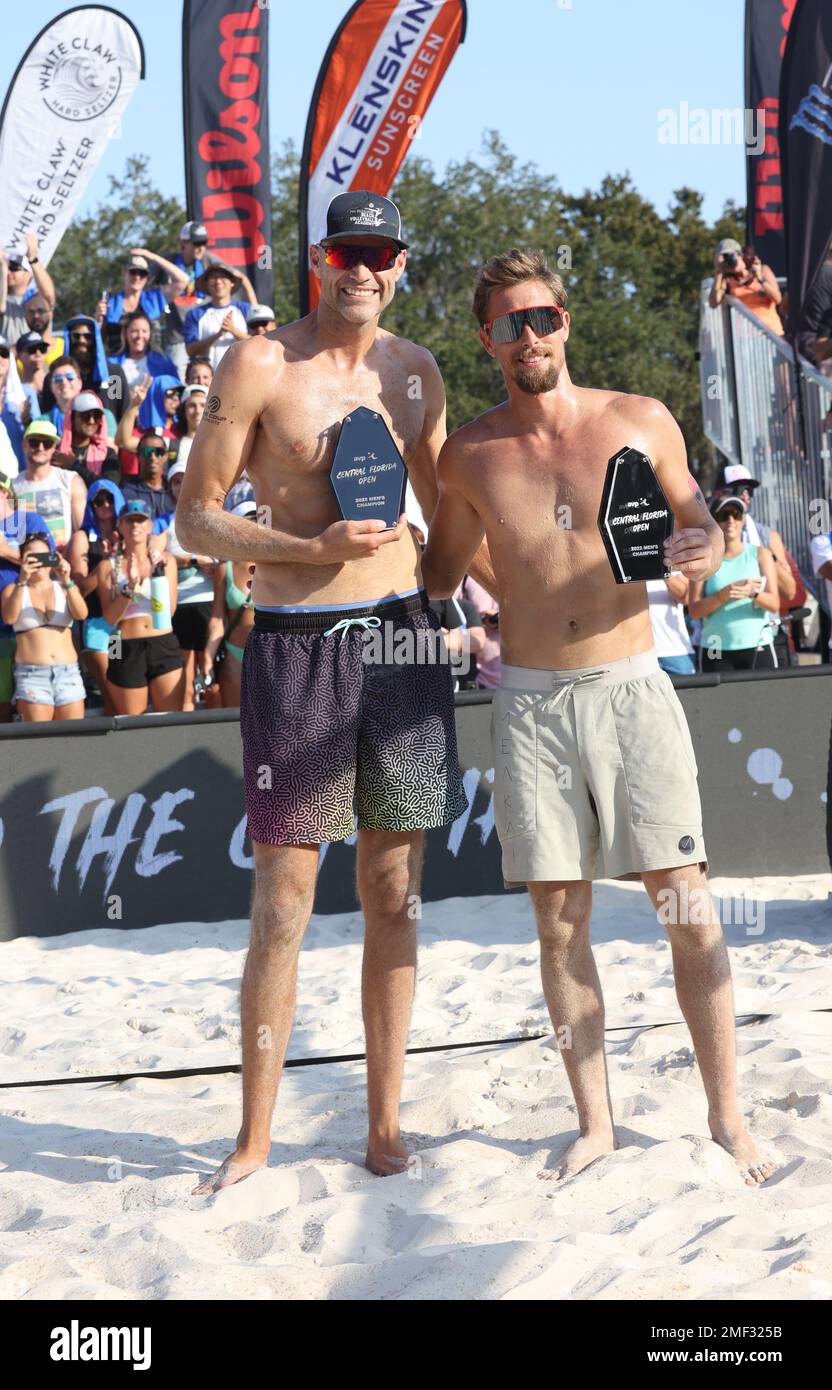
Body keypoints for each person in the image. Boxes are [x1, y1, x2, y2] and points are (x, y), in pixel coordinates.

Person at [422, 245, 775, 1187]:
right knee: (558, 923)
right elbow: (443, 575)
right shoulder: (471, 453)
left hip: (631, 684)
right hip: (531, 705)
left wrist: (697, 551)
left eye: (541, 317)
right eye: (508, 324)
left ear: (565, 322)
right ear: (486, 339)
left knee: (687, 907)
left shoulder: (639, 419)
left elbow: (697, 523)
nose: (528, 336)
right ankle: (596, 1125)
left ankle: (729, 1119)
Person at [176, 188, 470, 1193]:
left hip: (404, 644)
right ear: (320, 256)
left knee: (394, 892)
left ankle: (383, 1127)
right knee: (284, 900)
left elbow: (452, 513)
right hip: (298, 644)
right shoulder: (261, 362)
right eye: (349, 248)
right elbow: (193, 520)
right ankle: (255, 1139)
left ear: (397, 265)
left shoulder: (417, 372)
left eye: (382, 251)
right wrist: (308, 546)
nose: (364, 267)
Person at [98, 498, 183, 715]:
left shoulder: (165, 561)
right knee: (132, 725)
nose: (135, 525)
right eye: (129, 521)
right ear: (120, 526)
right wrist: (131, 588)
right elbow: (110, 618)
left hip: (162, 640)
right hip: (122, 643)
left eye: (140, 520)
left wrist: (155, 576)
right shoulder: (107, 567)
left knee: (171, 721)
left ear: (149, 526)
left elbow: (169, 611)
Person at [714, 463, 798, 665]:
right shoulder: (709, 536)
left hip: (766, 636)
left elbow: (790, 591)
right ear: (720, 494)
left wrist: (767, 558)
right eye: (738, 489)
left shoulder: (766, 536)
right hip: (720, 644)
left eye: (749, 490)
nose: (745, 495)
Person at [0, 531, 87, 720]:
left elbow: (82, 614)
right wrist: (23, 580)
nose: (38, 562)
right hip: (32, 676)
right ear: (22, 560)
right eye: (32, 557)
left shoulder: (64, 588)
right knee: (37, 742)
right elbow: (9, 617)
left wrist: (66, 580)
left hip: (68, 673)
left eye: (43, 556)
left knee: (73, 739)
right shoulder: (12, 590)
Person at [688, 495, 781, 671]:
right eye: (724, 515)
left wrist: (752, 593)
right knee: (719, 700)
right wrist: (723, 595)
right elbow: (694, 611)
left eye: (736, 514)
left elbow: (774, 604)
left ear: (743, 519)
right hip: (715, 649)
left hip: (758, 646)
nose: (731, 520)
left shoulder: (761, 554)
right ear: (714, 520)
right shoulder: (703, 558)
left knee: (765, 699)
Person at [68, 478, 124, 714]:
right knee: (107, 685)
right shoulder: (82, 538)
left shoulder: (129, 531)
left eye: (109, 498)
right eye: (98, 500)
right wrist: (105, 562)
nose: (105, 505)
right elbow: (79, 590)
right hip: (97, 624)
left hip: (121, 623)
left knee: (119, 683)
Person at [164, 459, 216, 710]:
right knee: (184, 680)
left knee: (211, 678)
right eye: (176, 481)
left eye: (185, 478)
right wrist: (193, 560)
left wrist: (215, 567)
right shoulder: (162, 523)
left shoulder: (210, 517)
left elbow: (225, 559)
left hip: (209, 602)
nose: (181, 485)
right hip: (181, 603)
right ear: (169, 488)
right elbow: (157, 557)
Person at [0, 474, 50, 720]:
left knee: (33, 701)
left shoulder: (29, 520)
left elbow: (51, 560)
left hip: (29, 626)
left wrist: (6, 551)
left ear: (5, 493)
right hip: (0, 631)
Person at [204, 505, 256, 709]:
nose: (254, 525)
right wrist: (208, 659)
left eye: (258, 520)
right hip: (235, 652)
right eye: (247, 521)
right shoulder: (224, 569)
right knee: (235, 723)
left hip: (272, 654)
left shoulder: (280, 564)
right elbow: (217, 619)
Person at [12, 420, 86, 553]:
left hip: (65, 559)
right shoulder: (13, 487)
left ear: (54, 448)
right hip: (27, 562)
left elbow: (81, 529)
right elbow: (11, 532)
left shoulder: (70, 480)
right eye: (34, 442)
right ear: (24, 445)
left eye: (47, 444)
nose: (40, 448)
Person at [97, 250, 189, 355]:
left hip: (151, 362)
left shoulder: (154, 299)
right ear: (124, 274)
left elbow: (184, 280)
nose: (137, 277)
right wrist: (98, 319)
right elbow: (101, 339)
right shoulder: (110, 303)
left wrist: (153, 257)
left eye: (142, 273)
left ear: (147, 278)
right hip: (118, 362)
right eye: (133, 272)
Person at [53, 317, 129, 424]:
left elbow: (124, 414)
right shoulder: (57, 378)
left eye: (88, 336)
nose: (82, 341)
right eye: (76, 336)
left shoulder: (113, 374)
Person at [183, 262, 256, 367]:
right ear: (207, 284)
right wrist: (218, 335)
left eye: (223, 277)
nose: (218, 282)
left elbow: (259, 343)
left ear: (232, 283)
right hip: (208, 379)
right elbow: (190, 350)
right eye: (213, 278)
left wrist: (233, 330)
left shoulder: (246, 310)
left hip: (242, 374)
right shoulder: (195, 314)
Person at [709, 239, 783, 335]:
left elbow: (778, 299)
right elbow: (713, 303)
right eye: (727, 259)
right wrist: (719, 272)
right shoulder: (727, 280)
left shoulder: (763, 270)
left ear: (741, 255)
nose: (731, 261)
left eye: (733, 256)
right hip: (746, 340)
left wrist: (760, 279)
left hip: (772, 335)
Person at [116, 375, 181, 476]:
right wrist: (134, 404)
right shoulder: (141, 433)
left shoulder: (184, 429)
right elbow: (122, 442)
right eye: (170, 393)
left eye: (179, 393)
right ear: (156, 395)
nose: (176, 398)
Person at [0, 237, 56, 346]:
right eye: (7, 267)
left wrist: (32, 258)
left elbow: (49, 296)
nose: (8, 271)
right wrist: (2, 267)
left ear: (28, 274)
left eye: (14, 268)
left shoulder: (36, 299)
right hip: (10, 361)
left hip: (37, 358)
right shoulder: (3, 297)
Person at [58, 391, 120, 482]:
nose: (92, 421)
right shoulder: (56, 453)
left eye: (97, 416)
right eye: (85, 416)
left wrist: (74, 466)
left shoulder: (108, 453)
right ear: (72, 418)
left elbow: (108, 485)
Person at [121, 431, 176, 531]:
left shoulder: (175, 487)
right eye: (147, 452)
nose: (152, 457)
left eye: (159, 452)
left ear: (165, 456)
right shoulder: (127, 491)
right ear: (138, 456)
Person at [110, 311, 179, 387]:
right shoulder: (112, 364)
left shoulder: (163, 362)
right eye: (134, 331)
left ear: (150, 334)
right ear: (126, 333)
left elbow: (176, 391)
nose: (140, 336)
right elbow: (111, 396)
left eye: (144, 331)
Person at [647, 575, 696, 674]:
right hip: (640, 655)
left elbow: (686, 598)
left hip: (675, 651)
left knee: (690, 689)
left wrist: (661, 571)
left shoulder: (674, 562)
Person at [167, 384, 206, 469]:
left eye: (203, 405)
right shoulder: (171, 445)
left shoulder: (220, 445)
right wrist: (134, 405)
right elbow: (130, 443)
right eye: (192, 405)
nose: (198, 411)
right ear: (183, 410)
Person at [20, 294, 64, 367]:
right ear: (25, 315)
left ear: (51, 314)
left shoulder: (64, 347)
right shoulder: (17, 350)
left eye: (41, 311)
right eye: (31, 312)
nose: (36, 316)